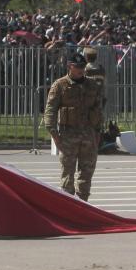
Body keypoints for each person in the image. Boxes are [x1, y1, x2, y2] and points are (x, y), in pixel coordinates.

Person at [43, 53, 103, 200]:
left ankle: (83, 203)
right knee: (67, 173)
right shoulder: (60, 85)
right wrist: (53, 133)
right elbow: (50, 109)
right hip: (68, 134)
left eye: (82, 66)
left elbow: (98, 108)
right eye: (77, 67)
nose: (81, 70)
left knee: (86, 172)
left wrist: (98, 130)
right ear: (70, 66)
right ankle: (68, 205)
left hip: (88, 134)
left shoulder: (92, 85)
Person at [83, 46, 107, 122]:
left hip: (87, 96)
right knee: (97, 117)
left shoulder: (85, 69)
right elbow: (104, 83)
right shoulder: (101, 69)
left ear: (87, 57)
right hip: (99, 96)